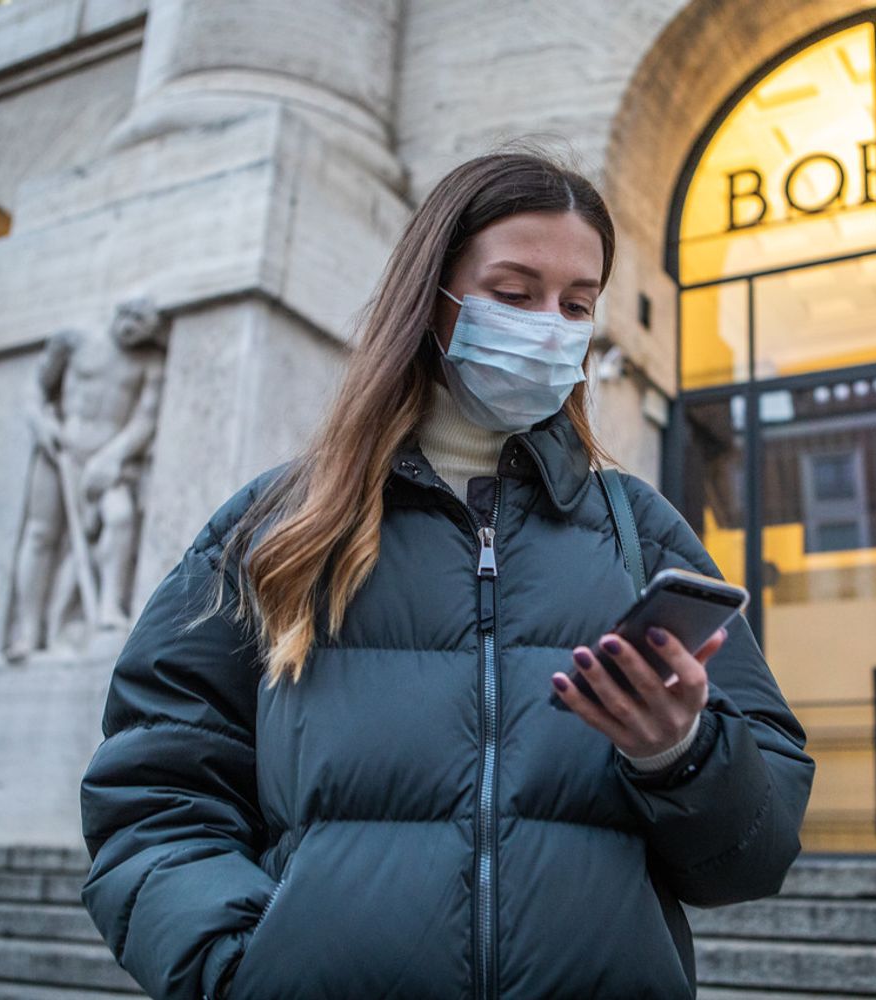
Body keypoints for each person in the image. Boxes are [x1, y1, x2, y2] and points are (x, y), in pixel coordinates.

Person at [78, 149, 815, 1000]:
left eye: (577, 305)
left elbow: (755, 853)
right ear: (433, 299)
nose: (550, 326)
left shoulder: (637, 529)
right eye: (513, 293)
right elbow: (153, 794)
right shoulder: (275, 527)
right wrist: (243, 969)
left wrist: (679, 754)